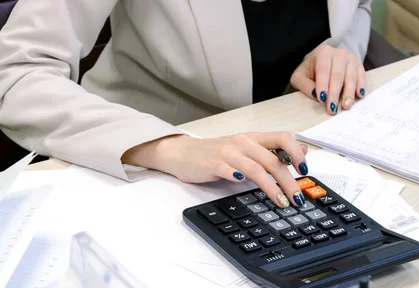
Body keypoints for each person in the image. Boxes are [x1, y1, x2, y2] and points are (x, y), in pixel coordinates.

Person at [0, 0, 372, 208]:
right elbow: (17, 73)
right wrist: (168, 147)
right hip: (147, 177)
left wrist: (337, 53)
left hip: (305, 151)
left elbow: (357, 8)